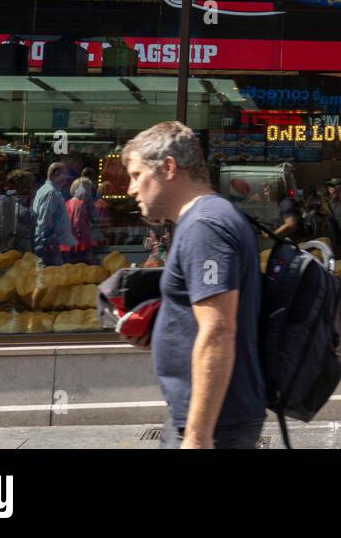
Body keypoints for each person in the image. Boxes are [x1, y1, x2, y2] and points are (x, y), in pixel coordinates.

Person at [122, 121, 265, 449]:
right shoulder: (203, 219)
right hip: (206, 417)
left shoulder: (206, 226)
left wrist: (198, 437)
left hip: (214, 424)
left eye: (136, 176)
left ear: (168, 168)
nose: (131, 189)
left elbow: (218, 331)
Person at [32, 162, 77, 265]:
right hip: (47, 245)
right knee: (48, 275)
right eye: (64, 174)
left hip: (48, 243)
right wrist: (50, 241)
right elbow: (44, 220)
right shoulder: (51, 192)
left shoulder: (49, 191)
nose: (66, 179)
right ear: (55, 174)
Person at [0, 170, 33, 258]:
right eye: (28, 185)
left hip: (0, 251)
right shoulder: (10, 203)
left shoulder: (0, 200)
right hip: (8, 252)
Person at [62, 176, 96, 265]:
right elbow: (78, 226)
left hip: (65, 246)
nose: (90, 193)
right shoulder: (80, 205)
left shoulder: (66, 204)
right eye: (89, 190)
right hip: (79, 247)